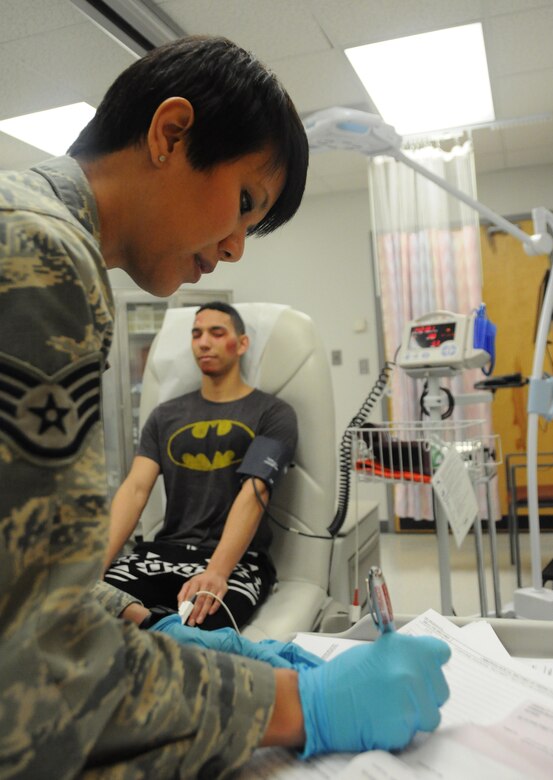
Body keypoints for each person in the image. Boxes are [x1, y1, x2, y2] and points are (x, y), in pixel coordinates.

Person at [0, 34, 450, 779]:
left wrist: (131, 616)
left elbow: (20, 577)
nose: (236, 248)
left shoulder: (22, 221)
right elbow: (38, 678)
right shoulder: (43, 257)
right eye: (244, 202)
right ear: (171, 133)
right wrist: (299, 705)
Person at [103, 300, 297, 631]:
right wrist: (94, 565)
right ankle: (153, 626)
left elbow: (256, 491)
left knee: (203, 629)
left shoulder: (272, 413)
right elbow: (135, 490)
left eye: (216, 333)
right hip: (162, 553)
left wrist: (217, 572)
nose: (203, 342)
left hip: (237, 561)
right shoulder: (165, 415)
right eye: (196, 334)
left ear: (242, 344)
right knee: (85, 606)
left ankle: (152, 626)